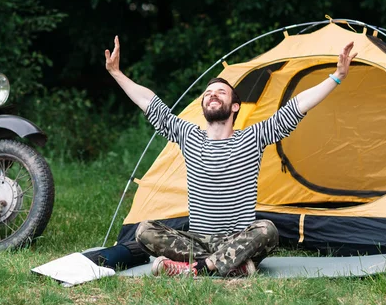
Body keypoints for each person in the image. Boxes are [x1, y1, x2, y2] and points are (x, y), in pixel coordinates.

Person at [104, 36, 357, 278]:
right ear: (203, 105)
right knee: (144, 230)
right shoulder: (189, 136)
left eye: (220, 92)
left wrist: (336, 77)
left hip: (238, 239)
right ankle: (228, 265)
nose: (212, 94)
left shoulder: (252, 138)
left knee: (267, 230)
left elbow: (297, 106)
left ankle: (196, 268)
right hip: (198, 240)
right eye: (208, 93)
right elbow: (150, 103)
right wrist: (117, 74)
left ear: (235, 106)